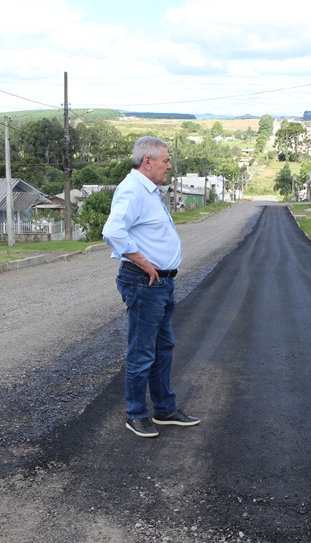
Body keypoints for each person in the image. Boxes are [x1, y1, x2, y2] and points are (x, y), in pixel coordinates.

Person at [102, 136, 200, 438]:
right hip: (145, 282)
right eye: (165, 161)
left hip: (160, 283)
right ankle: (135, 414)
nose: (169, 166)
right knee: (142, 351)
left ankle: (164, 409)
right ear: (148, 161)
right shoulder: (132, 190)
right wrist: (144, 262)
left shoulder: (148, 190)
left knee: (163, 348)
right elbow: (112, 230)